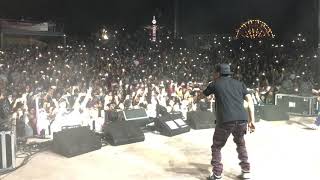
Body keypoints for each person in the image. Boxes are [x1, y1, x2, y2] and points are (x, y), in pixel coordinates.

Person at [197, 64, 256, 180]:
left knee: (217, 146)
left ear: (218, 73)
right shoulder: (240, 84)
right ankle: (246, 170)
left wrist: (196, 98)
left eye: (214, 73)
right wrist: (252, 120)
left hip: (225, 120)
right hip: (242, 119)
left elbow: (201, 96)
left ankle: (217, 174)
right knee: (241, 144)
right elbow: (250, 100)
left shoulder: (214, 84)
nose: (213, 75)